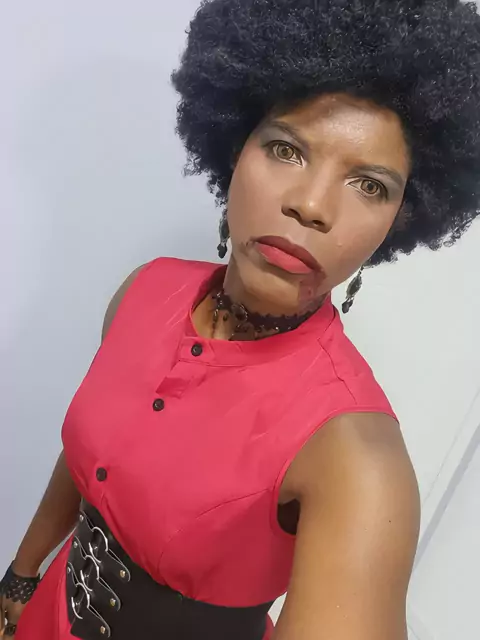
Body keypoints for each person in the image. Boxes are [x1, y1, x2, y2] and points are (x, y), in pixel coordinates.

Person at [3, 1, 480, 639]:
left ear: (402, 219)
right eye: (286, 149)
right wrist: (22, 575)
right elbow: (89, 453)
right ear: (236, 147)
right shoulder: (146, 290)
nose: (312, 204)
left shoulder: (357, 462)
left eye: (370, 185)